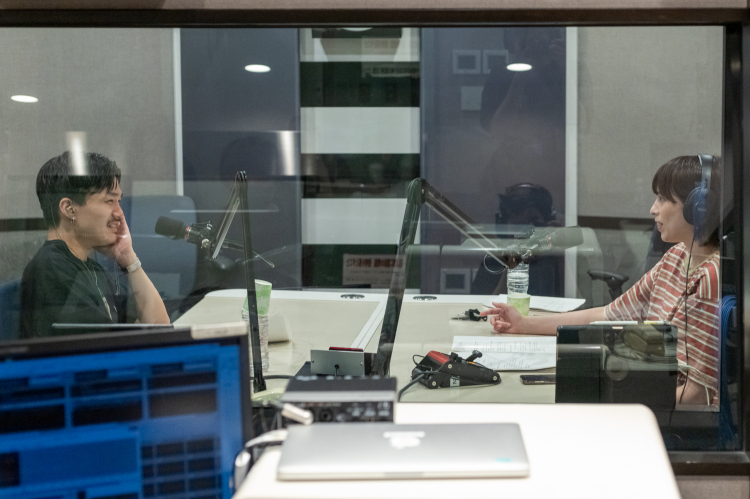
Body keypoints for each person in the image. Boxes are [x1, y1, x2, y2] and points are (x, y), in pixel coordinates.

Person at [481, 156, 722, 406]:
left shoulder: (710, 279)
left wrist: (610, 404)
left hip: (671, 415)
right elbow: (609, 314)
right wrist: (524, 324)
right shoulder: (676, 256)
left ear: (698, 207)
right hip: (649, 394)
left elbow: (696, 396)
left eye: (662, 198)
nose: (653, 209)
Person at [20, 151, 169, 338]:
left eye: (118, 201)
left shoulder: (90, 268)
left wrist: (128, 256)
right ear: (69, 209)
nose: (119, 213)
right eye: (109, 201)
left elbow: (158, 326)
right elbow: (109, 346)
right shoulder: (53, 270)